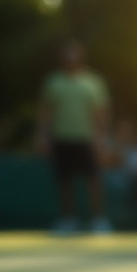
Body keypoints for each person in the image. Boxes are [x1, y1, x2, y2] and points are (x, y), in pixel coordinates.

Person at [39, 41, 112, 235]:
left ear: (81, 58)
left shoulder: (93, 82)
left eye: (74, 55)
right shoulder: (53, 81)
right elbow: (47, 112)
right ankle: (68, 220)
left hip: (86, 139)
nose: (70, 59)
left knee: (94, 179)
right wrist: (43, 135)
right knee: (64, 181)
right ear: (62, 59)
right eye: (67, 55)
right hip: (62, 138)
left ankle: (99, 219)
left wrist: (102, 137)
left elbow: (100, 113)